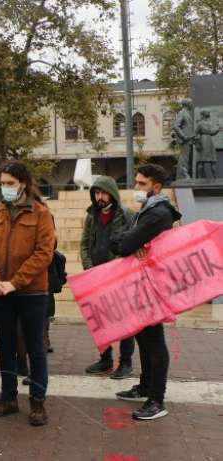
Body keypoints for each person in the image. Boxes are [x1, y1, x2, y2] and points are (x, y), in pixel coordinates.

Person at [0, 161, 55, 427]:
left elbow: (43, 254)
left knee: (35, 348)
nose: (5, 188)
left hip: (32, 293)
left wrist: (15, 282)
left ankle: (37, 402)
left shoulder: (41, 213)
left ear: (22, 183)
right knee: (6, 347)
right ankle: (8, 398)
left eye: (10, 183)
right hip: (0, 291)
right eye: (2, 183)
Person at [112, 163, 181, 421]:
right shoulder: (147, 210)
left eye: (142, 184)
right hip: (143, 283)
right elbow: (120, 237)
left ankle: (156, 399)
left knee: (154, 342)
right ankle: (145, 385)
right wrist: (128, 241)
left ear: (157, 187)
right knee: (143, 337)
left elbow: (122, 243)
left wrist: (128, 243)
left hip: (153, 285)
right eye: (137, 182)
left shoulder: (158, 214)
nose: (137, 188)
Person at [81, 176, 136, 379]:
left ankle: (126, 362)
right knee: (100, 321)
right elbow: (84, 245)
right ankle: (105, 359)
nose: (99, 197)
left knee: (125, 322)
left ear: (112, 193)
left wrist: (116, 267)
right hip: (96, 278)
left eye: (103, 192)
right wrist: (89, 267)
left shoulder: (127, 215)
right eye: (96, 193)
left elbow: (132, 244)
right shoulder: (91, 216)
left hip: (120, 278)